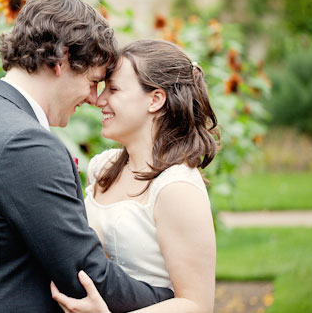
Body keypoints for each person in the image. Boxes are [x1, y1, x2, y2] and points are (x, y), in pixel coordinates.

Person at [0, 0, 174, 313]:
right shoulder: (27, 145)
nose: (95, 98)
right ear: (62, 60)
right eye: (93, 82)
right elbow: (85, 275)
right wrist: (172, 301)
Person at [51, 39, 219, 313]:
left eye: (113, 89)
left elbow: (197, 305)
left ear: (155, 100)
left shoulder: (176, 187)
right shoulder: (103, 168)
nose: (99, 99)